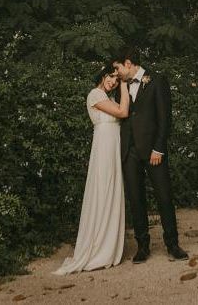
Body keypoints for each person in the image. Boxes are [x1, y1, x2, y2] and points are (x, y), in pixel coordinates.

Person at [112, 49, 188, 263]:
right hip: (130, 151)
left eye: (118, 68)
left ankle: (172, 244)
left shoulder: (157, 81)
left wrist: (159, 148)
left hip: (153, 151)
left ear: (128, 63)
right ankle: (142, 246)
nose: (117, 73)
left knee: (164, 197)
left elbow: (165, 119)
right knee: (136, 199)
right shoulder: (121, 87)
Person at [53, 69, 130, 274]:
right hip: (103, 147)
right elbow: (123, 113)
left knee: (112, 190)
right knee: (102, 189)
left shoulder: (110, 99)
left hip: (113, 147)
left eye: (116, 78)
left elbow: (122, 111)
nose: (112, 81)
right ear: (102, 76)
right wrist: (124, 83)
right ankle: (97, 248)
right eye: (111, 77)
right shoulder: (94, 95)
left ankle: (108, 246)